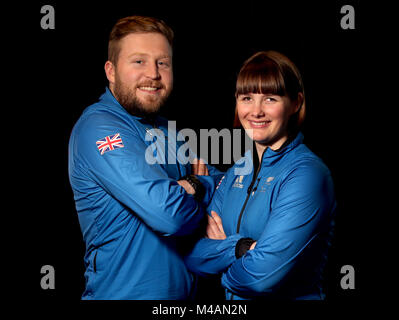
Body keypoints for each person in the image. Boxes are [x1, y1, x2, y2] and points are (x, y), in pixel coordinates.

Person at [68, 15, 221, 300]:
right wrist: (198, 183)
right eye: (139, 61)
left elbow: (223, 185)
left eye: (162, 62)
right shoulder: (98, 126)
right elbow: (170, 216)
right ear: (111, 71)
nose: (153, 73)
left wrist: (197, 185)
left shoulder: (167, 130)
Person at [184, 51, 336, 300]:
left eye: (270, 99)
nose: (256, 111)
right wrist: (241, 247)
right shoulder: (238, 171)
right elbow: (191, 254)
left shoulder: (307, 175)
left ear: (295, 103)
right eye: (246, 98)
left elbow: (260, 279)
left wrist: (220, 261)